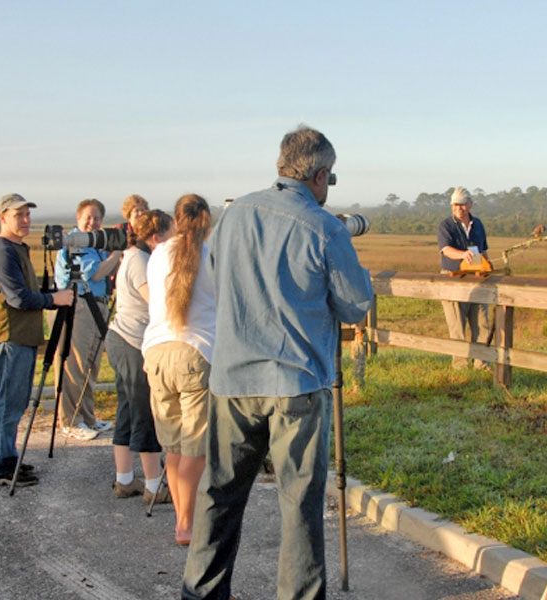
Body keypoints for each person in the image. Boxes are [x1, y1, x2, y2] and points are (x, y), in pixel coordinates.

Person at [181, 126, 373, 600]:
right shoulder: (325, 227)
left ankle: (199, 592)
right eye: (331, 179)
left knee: (219, 495)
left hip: (232, 378)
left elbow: (217, 279)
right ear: (321, 174)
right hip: (296, 384)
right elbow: (355, 305)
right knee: (299, 505)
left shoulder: (233, 215)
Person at [0, 193, 73, 486]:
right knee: (8, 404)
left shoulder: (16, 249)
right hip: (9, 337)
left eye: (27, 215)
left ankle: (5, 458)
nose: (25, 220)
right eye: (18, 215)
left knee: (14, 403)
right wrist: (54, 299)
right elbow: (18, 298)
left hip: (19, 337)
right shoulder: (2, 250)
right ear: (3, 218)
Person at [142, 194, 214, 545]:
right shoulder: (211, 254)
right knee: (195, 447)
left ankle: (181, 521)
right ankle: (187, 524)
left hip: (156, 352)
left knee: (171, 446)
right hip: (195, 351)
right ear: (207, 221)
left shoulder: (157, 254)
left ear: (176, 218)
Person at [107, 209, 174, 503]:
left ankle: (125, 480)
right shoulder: (142, 261)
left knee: (126, 410)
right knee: (146, 412)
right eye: (172, 232)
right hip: (133, 342)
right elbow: (156, 302)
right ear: (156, 236)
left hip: (120, 338)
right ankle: (153, 485)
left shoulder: (131, 256)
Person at [54, 199, 122, 439]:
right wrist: (117, 252)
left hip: (97, 305)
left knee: (91, 364)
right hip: (79, 306)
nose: (92, 223)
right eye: (88, 217)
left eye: (97, 218)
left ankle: (87, 417)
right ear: (78, 217)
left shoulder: (96, 244)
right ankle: (70, 421)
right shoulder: (76, 243)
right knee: (76, 364)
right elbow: (95, 272)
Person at [437, 186, 491, 369]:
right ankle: (460, 366)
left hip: (476, 278)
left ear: (470, 205)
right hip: (453, 279)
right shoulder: (446, 225)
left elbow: (483, 250)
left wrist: (486, 266)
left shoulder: (478, 224)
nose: (458, 209)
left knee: (482, 323)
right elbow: (445, 250)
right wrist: (463, 254)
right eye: (455, 205)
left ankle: (481, 364)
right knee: (457, 326)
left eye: (462, 205)